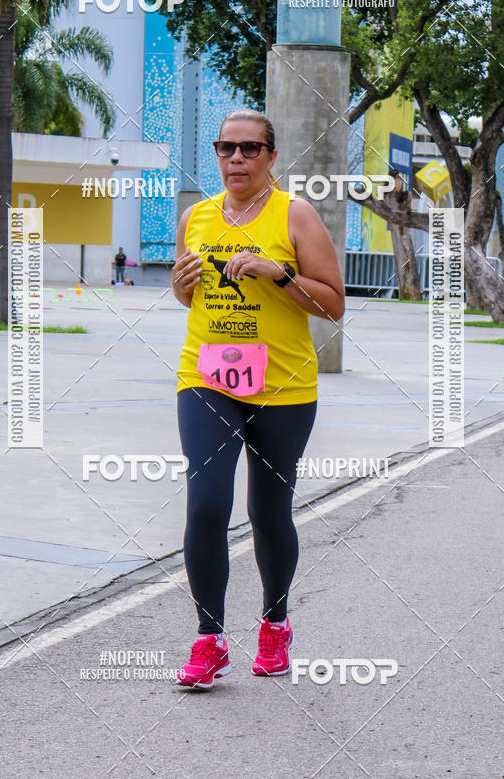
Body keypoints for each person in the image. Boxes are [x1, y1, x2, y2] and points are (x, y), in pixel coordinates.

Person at [172, 109, 345, 690]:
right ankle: (209, 638)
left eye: (250, 149)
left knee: (268, 512)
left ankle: (275, 623)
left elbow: (331, 304)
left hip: (283, 385)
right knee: (205, 505)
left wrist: (278, 274)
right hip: (206, 378)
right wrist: (180, 285)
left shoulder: (294, 215)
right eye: (226, 149)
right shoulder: (196, 217)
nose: (237, 159)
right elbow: (184, 293)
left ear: (272, 156)